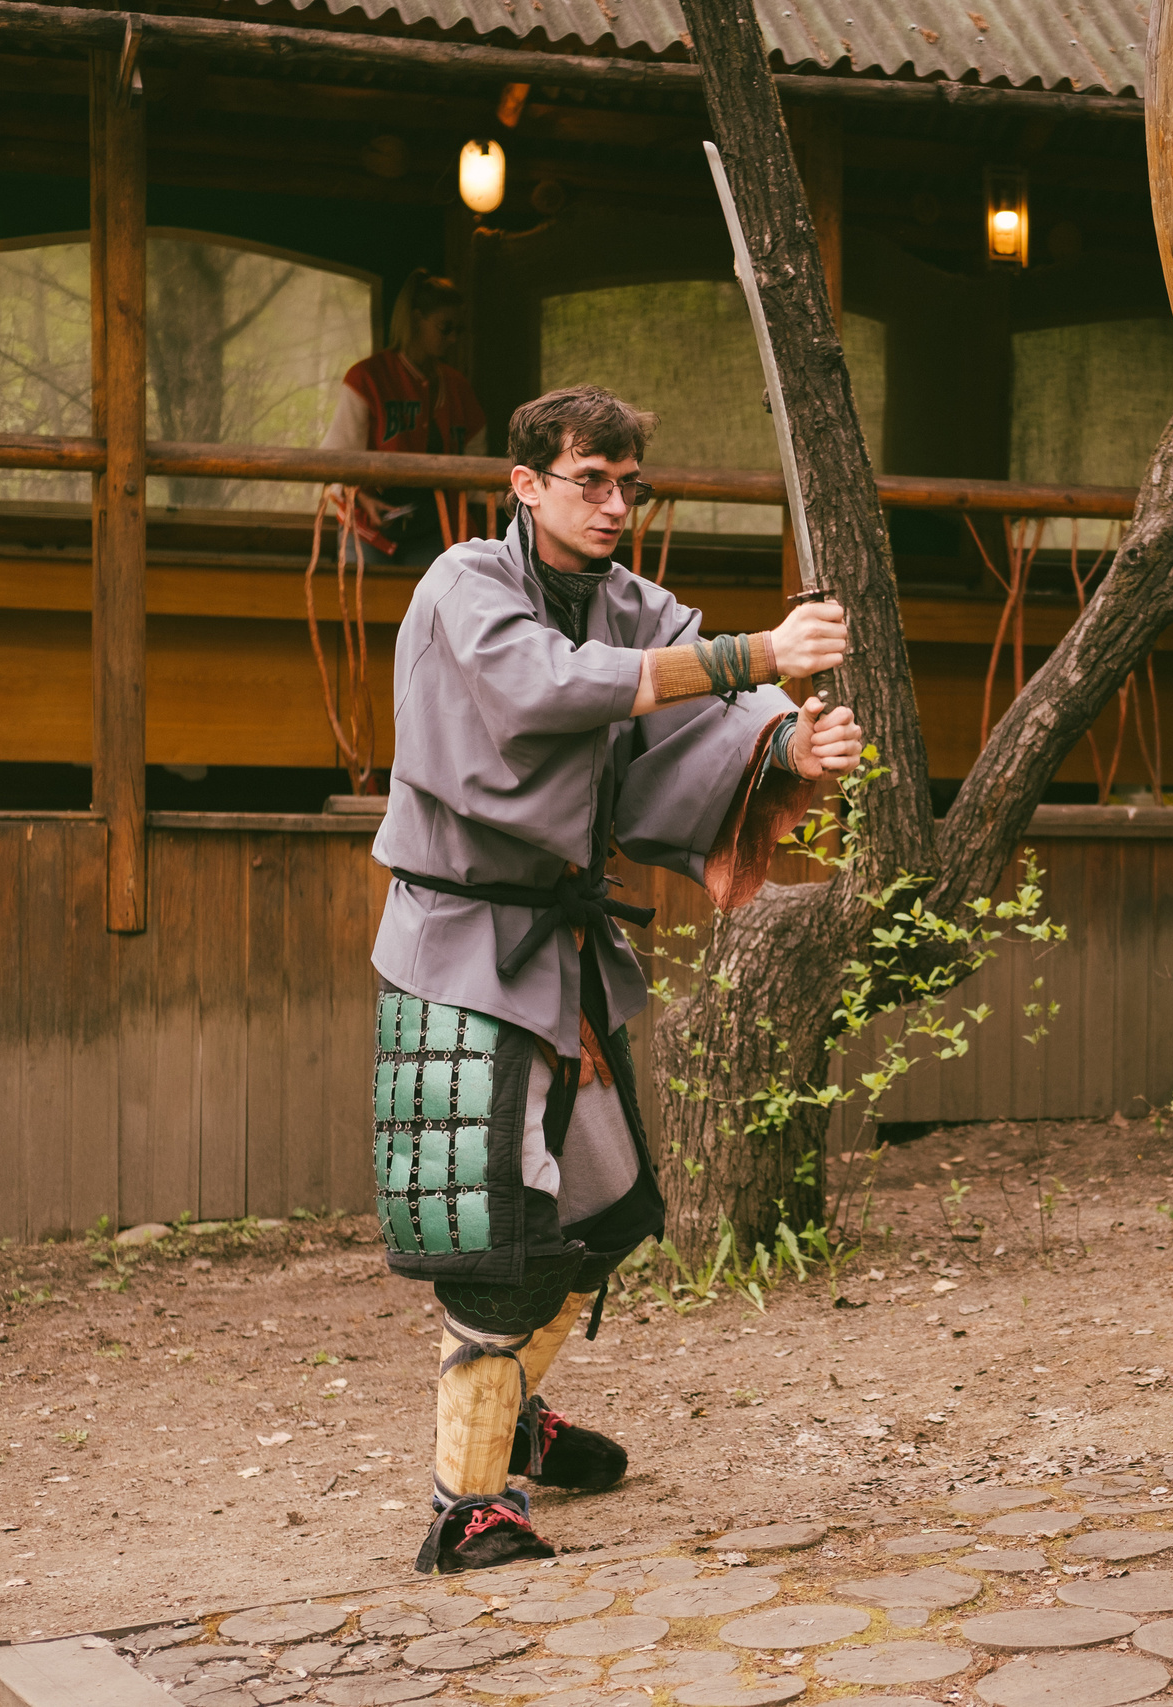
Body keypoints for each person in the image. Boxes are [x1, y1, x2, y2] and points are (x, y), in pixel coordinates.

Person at [366, 383, 864, 1574]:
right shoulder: (462, 587)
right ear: (525, 484)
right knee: (489, 1234)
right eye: (590, 479)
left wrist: (794, 743)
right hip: (459, 949)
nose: (613, 503)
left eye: (629, 483)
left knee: (599, 1213)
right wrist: (750, 655)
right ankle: (467, 1503)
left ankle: (511, 1420)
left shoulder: (636, 605)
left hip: (570, 951)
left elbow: (706, 722)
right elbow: (546, 687)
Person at [321, 268, 489, 567]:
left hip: (436, 531)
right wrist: (362, 498)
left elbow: (476, 467)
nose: (452, 338)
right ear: (415, 319)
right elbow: (333, 461)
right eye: (445, 327)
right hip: (370, 531)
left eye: (458, 330)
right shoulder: (366, 378)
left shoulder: (457, 386)